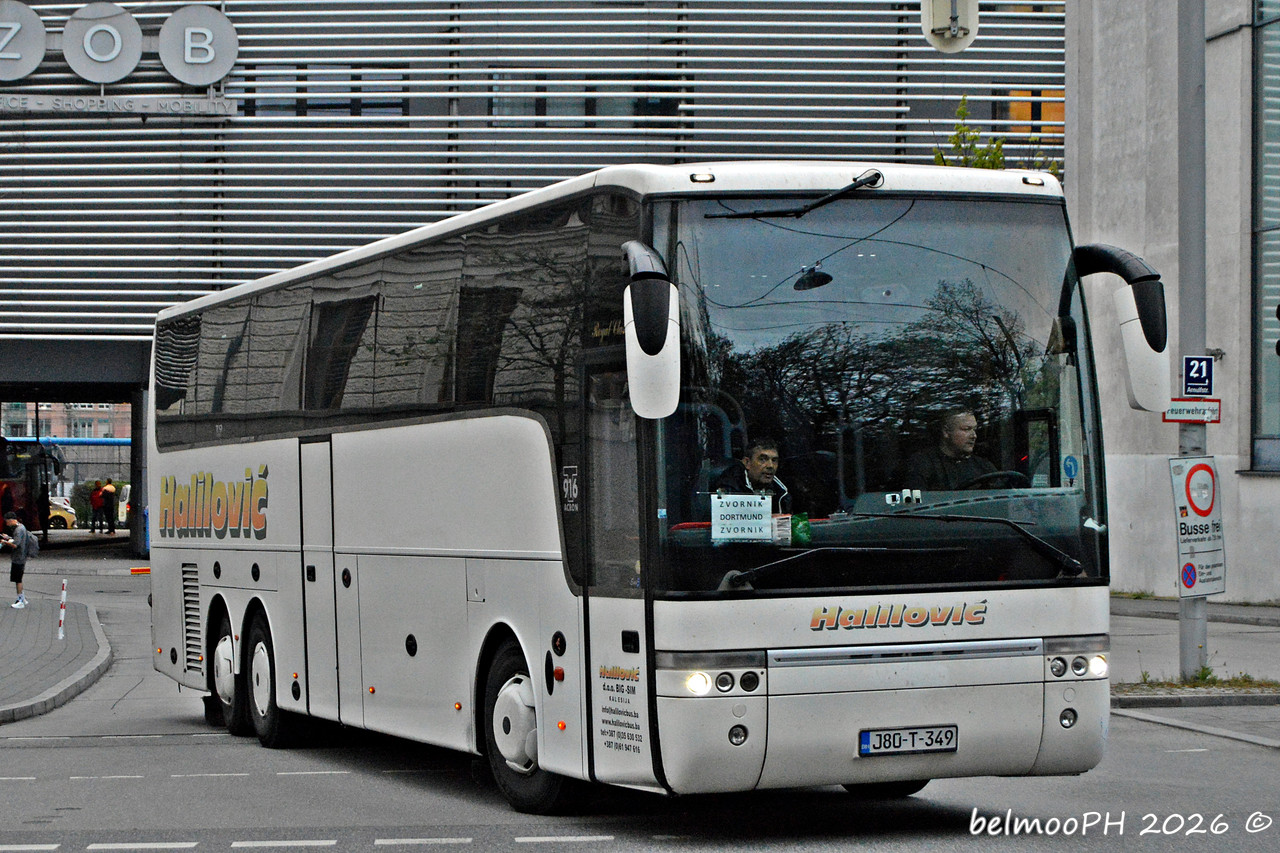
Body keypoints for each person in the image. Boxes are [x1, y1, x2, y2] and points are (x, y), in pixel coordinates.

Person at [904, 408, 997, 491]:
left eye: (974, 429)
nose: (974, 436)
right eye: (966, 429)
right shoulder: (922, 464)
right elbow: (916, 500)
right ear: (946, 432)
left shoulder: (983, 466)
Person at [712, 437, 791, 513]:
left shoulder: (780, 491)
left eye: (774, 460)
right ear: (747, 462)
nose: (770, 466)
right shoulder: (730, 486)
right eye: (763, 459)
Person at [3, 511, 36, 609]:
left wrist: (4, 542)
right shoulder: (21, 527)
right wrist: (8, 538)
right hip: (21, 556)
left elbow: (15, 545)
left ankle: (20, 600)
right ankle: (23, 598)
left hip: (18, 557)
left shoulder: (18, 530)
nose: (7, 524)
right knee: (18, 578)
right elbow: (17, 540)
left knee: (18, 579)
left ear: (11, 520)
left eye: (7, 522)